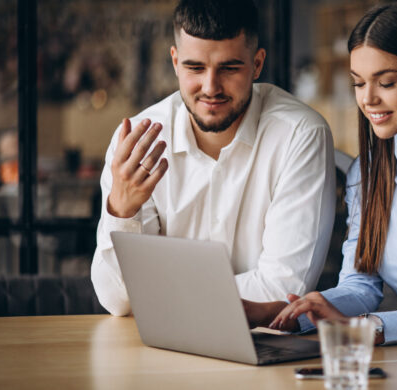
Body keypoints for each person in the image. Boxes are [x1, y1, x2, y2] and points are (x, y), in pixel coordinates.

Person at [91, 0, 335, 316]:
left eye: (229, 68)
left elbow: (282, 292)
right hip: (158, 349)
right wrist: (122, 211)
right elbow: (117, 300)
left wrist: (156, 294)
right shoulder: (136, 142)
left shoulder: (299, 134)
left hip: (263, 348)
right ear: (175, 62)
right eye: (195, 67)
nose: (210, 87)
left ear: (258, 64)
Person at [244, 1, 397, 346]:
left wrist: (370, 328)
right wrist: (288, 315)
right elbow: (360, 285)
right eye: (358, 83)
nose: (368, 99)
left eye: (386, 82)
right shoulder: (367, 174)